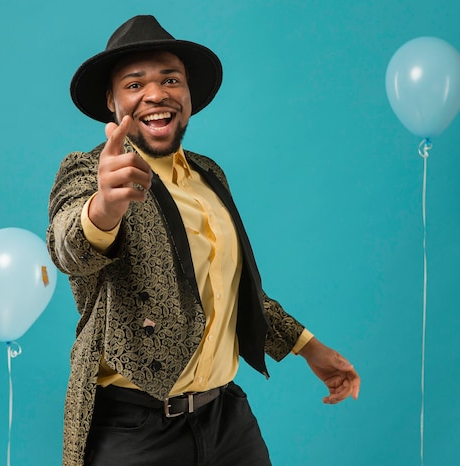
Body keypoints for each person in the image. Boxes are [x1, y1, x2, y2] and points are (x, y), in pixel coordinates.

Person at [47, 15, 360, 466]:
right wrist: (104, 208)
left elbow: (233, 291)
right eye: (135, 85)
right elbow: (67, 248)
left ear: (188, 96)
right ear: (111, 103)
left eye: (170, 79)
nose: (156, 93)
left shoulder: (209, 176)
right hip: (135, 430)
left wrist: (310, 348)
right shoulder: (87, 170)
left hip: (225, 420)